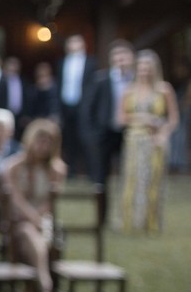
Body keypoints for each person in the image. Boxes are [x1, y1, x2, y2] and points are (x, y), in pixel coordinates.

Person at [1, 119, 67, 292]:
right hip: (18, 222)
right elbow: (16, 199)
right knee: (28, 231)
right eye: (40, 141)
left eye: (48, 142)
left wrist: (39, 218)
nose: (43, 147)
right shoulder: (14, 166)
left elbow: (50, 201)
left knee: (39, 234)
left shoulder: (56, 170)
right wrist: (32, 217)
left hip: (44, 222)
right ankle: (44, 279)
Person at [118, 50, 179, 233]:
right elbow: (121, 118)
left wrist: (163, 134)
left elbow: (173, 119)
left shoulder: (164, 89)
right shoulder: (129, 90)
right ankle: (129, 223)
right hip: (134, 140)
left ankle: (150, 223)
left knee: (152, 181)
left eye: (148, 67)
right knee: (132, 180)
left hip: (154, 140)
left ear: (154, 69)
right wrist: (143, 117)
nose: (144, 71)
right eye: (141, 67)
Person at [87, 39, 135, 188]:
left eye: (124, 55)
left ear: (131, 57)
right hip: (105, 132)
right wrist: (93, 132)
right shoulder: (101, 80)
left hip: (130, 132)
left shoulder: (136, 80)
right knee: (102, 177)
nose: (120, 59)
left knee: (129, 173)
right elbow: (89, 108)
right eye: (117, 55)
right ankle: (102, 208)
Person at [57, 34, 96, 176]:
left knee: (85, 138)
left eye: (76, 42)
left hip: (84, 106)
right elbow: (59, 85)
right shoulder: (62, 63)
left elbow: (92, 86)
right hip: (66, 106)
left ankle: (89, 171)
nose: (73, 45)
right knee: (69, 140)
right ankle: (71, 171)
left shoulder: (91, 62)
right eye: (71, 42)